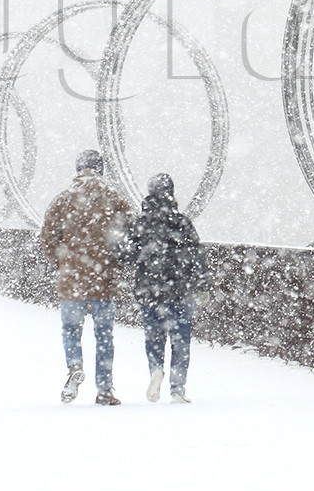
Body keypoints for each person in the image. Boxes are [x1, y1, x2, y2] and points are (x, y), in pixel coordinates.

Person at [38, 150, 134, 405]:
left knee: (71, 330)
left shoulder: (63, 198)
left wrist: (61, 262)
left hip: (72, 280)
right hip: (105, 279)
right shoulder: (115, 198)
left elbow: (47, 236)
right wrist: (114, 260)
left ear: (78, 169)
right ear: (100, 169)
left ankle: (74, 367)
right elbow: (130, 234)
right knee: (104, 335)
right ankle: (105, 390)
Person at [120, 173, 210, 404]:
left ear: (149, 194)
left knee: (154, 338)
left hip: (149, 292)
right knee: (180, 342)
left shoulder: (141, 223)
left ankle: (156, 371)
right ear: (171, 193)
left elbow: (127, 256)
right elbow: (197, 257)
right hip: (180, 291)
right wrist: (203, 286)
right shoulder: (182, 222)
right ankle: (177, 390)